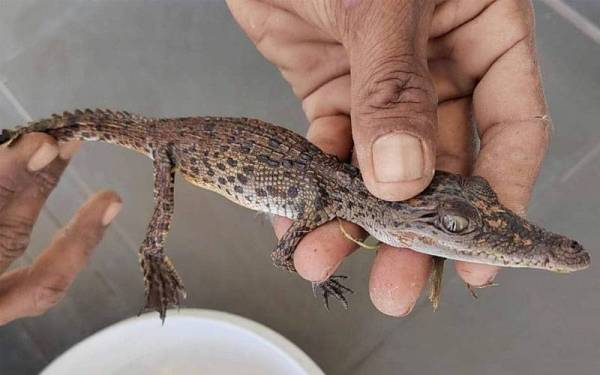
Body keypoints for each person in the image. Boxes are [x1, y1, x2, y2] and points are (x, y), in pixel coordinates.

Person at [0, 0, 549, 323]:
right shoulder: (319, 202)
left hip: (231, 143)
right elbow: (284, 256)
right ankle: (150, 253)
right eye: (452, 224)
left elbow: (294, 250)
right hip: (181, 146)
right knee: (160, 206)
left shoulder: (343, 191)